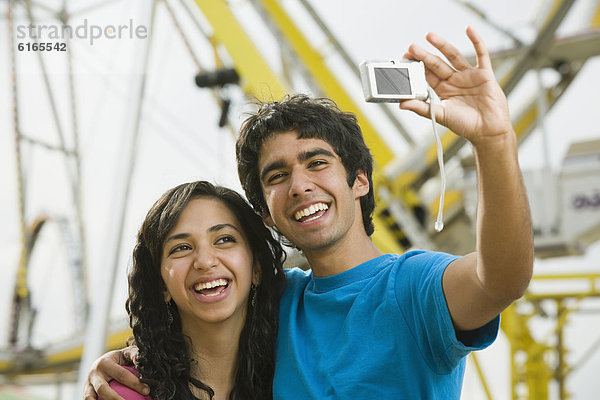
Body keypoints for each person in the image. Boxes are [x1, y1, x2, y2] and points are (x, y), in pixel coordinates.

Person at [84, 27, 533, 399]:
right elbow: (195, 322)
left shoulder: (413, 287)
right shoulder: (274, 302)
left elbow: (500, 280)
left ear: (360, 179)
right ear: (264, 213)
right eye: (277, 176)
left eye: (317, 163)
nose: (299, 185)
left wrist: (493, 143)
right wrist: (126, 364)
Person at [96, 181, 285, 399]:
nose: (204, 261)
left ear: (257, 268)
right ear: (161, 284)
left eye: (224, 239)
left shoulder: (291, 380)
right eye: (181, 248)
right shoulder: (123, 394)